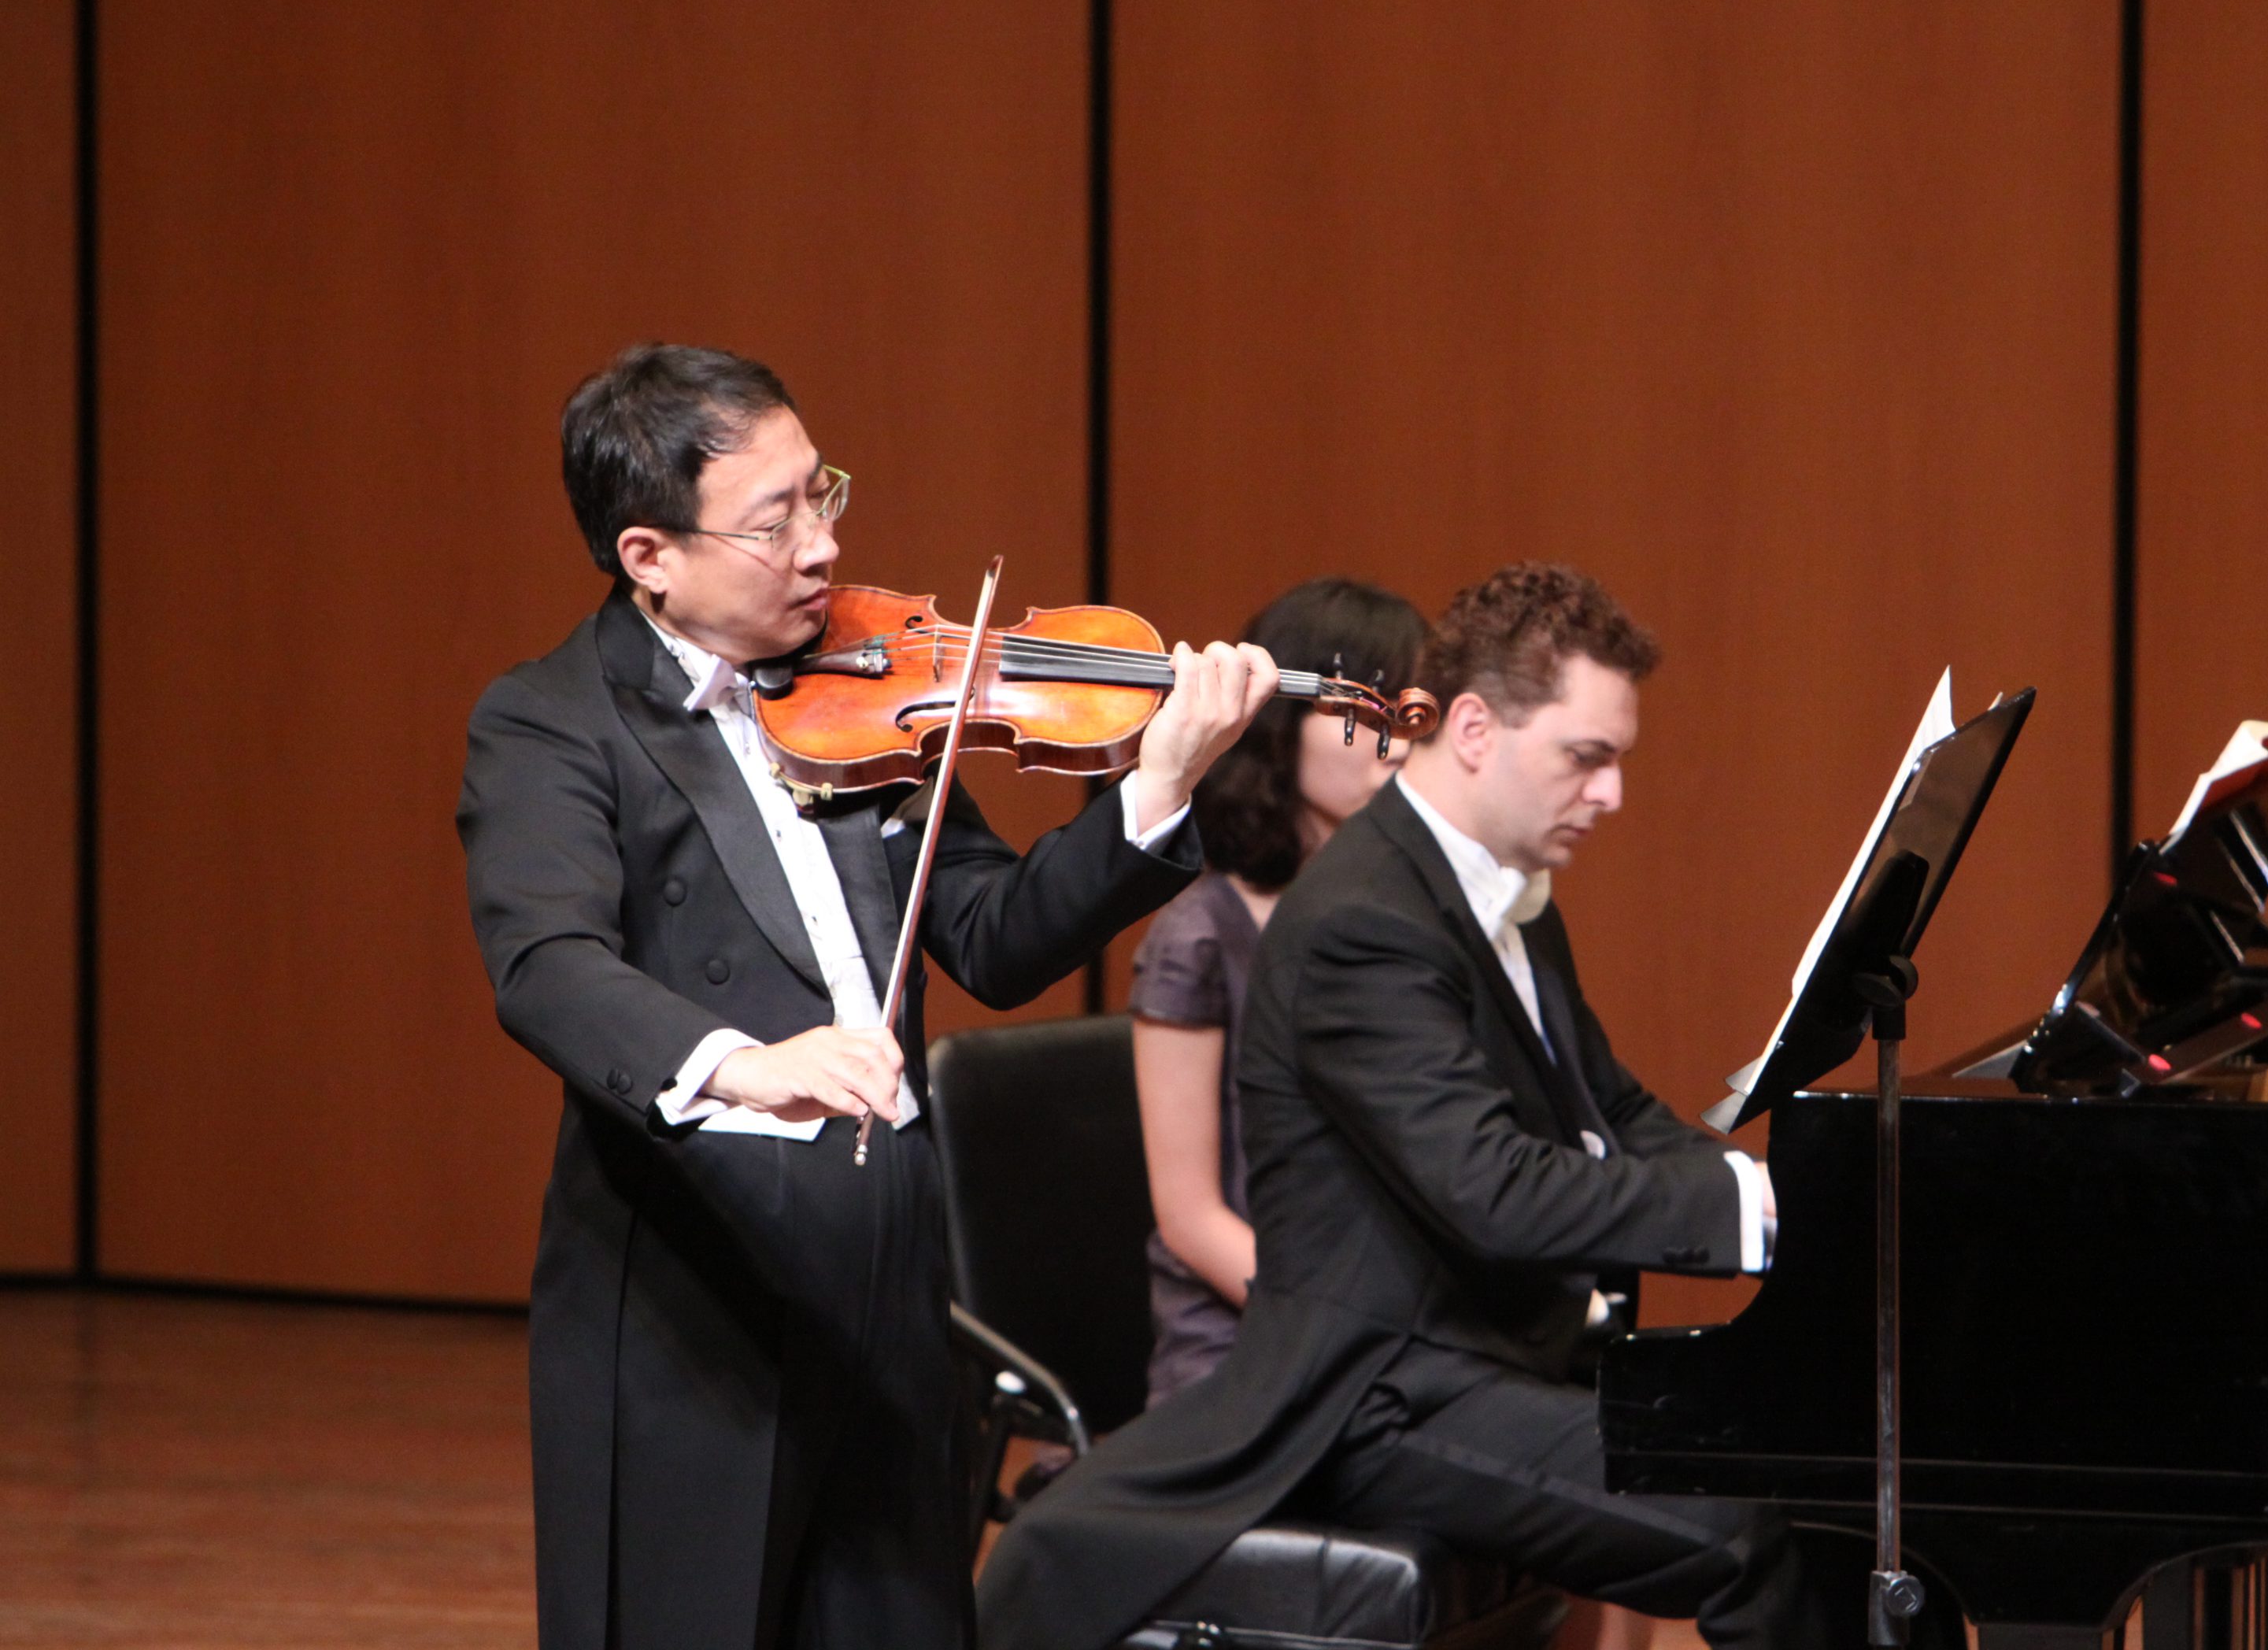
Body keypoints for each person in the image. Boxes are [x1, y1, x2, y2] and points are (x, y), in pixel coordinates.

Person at [457, 343, 1275, 1650]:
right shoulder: (553, 721)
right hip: (696, 1299)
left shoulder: (861, 683)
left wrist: (1159, 786)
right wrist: (741, 1060)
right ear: (650, 555)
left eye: (821, 493)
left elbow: (996, 938)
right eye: (773, 520)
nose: (822, 545)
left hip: (890, 1275)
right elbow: (547, 963)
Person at [980, 561, 1889, 1650]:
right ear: (1472, 730)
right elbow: (1493, 1190)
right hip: (1374, 1395)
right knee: (1749, 1531)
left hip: (1479, 1358)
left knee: (1829, 1482)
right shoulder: (1364, 923)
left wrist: (1777, 1192)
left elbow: (1607, 1110)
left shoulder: (1501, 887)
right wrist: (1753, 1217)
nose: (1612, 795)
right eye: (1586, 758)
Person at [1130, 577, 1430, 1406]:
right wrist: (1357, 1327)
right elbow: (1192, 1220)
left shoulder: (1405, 915)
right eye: (1360, 713)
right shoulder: (1199, 936)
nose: (1397, 747)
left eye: (1407, 715)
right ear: (1279, 724)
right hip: (1245, 1350)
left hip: (1388, 1335)